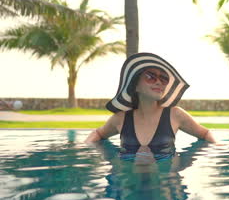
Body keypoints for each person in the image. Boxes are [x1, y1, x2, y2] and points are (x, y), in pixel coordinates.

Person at [85, 52, 217, 153]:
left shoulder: (175, 115)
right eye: (150, 77)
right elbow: (98, 133)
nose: (159, 82)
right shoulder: (121, 118)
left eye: (164, 79)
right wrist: (85, 147)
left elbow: (205, 133)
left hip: (164, 184)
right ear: (136, 85)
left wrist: (217, 147)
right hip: (130, 184)